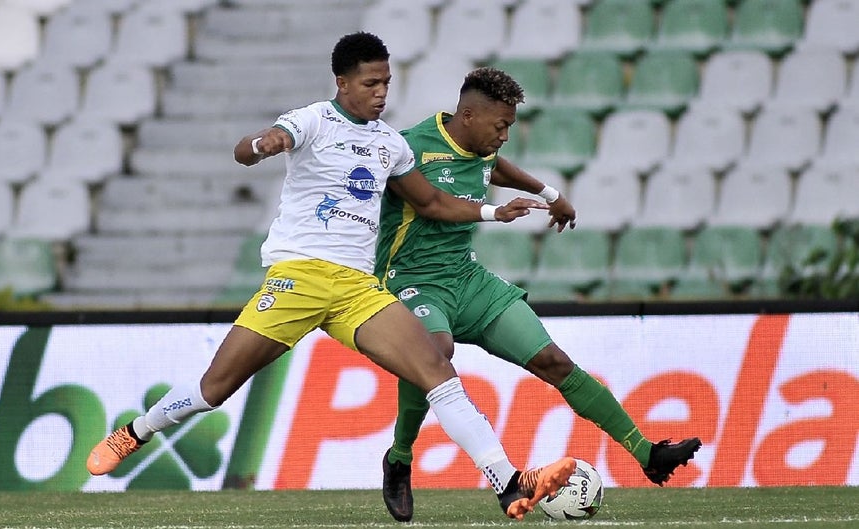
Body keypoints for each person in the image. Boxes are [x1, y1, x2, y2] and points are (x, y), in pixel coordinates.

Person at [85, 32, 575, 521]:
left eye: (386, 83)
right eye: (370, 83)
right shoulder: (312, 120)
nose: (381, 93)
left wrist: (492, 212)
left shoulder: (390, 144)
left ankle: (508, 483)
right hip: (298, 278)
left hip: (357, 288)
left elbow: (431, 202)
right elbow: (244, 151)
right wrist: (262, 144)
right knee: (215, 388)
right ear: (342, 83)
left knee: (437, 370)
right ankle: (137, 431)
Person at [375, 67, 702, 522]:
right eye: (500, 125)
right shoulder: (408, 147)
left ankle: (648, 454)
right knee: (434, 350)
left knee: (555, 361)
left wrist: (550, 193)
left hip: (467, 280)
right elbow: (431, 204)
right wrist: (495, 211)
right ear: (468, 116)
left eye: (510, 126)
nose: (505, 135)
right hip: (413, 280)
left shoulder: (482, 146)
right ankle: (400, 458)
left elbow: (493, 167)